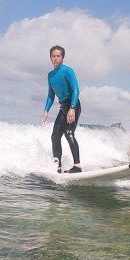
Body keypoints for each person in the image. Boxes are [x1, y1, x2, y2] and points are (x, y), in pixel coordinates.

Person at [41, 45, 82, 173]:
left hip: (73, 105)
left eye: (58, 56)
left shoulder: (67, 71)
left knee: (69, 133)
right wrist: (46, 110)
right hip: (63, 107)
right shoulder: (50, 75)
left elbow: (76, 89)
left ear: (62, 57)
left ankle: (77, 166)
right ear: (50, 58)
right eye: (53, 56)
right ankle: (57, 167)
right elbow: (50, 95)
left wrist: (72, 108)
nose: (56, 58)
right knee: (55, 136)